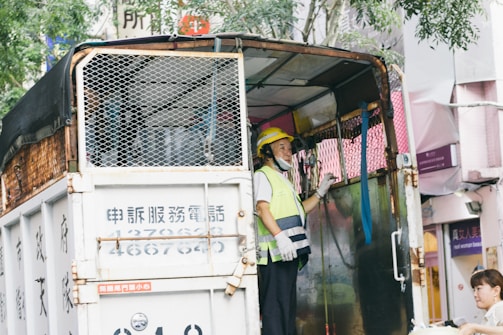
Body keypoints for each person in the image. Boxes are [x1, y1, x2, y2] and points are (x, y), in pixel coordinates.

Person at [253, 127, 335, 335]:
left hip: (288, 253)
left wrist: (319, 193)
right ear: (267, 153)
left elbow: (300, 210)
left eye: (289, 148)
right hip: (274, 254)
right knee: (275, 309)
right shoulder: (263, 176)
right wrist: (280, 237)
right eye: (282, 148)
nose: (288, 153)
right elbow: (262, 208)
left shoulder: (283, 180)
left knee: (286, 308)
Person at [458, 268, 503, 335]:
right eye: (474, 290)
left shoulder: (500, 308)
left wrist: (475, 328)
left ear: (496, 291)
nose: (475, 294)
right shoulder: (491, 313)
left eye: (479, 289)